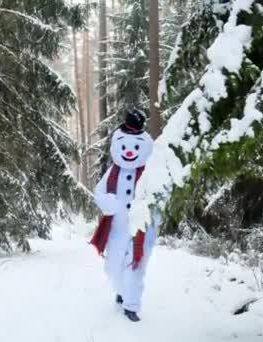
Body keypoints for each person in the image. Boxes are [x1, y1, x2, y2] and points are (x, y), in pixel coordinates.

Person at [89, 109, 158, 322]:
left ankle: (131, 305)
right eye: (125, 147)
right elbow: (99, 193)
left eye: (136, 147)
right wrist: (111, 204)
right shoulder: (113, 172)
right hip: (117, 229)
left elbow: (158, 198)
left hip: (141, 229)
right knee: (114, 266)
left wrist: (152, 215)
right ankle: (121, 290)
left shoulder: (150, 172)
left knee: (136, 265)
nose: (130, 152)